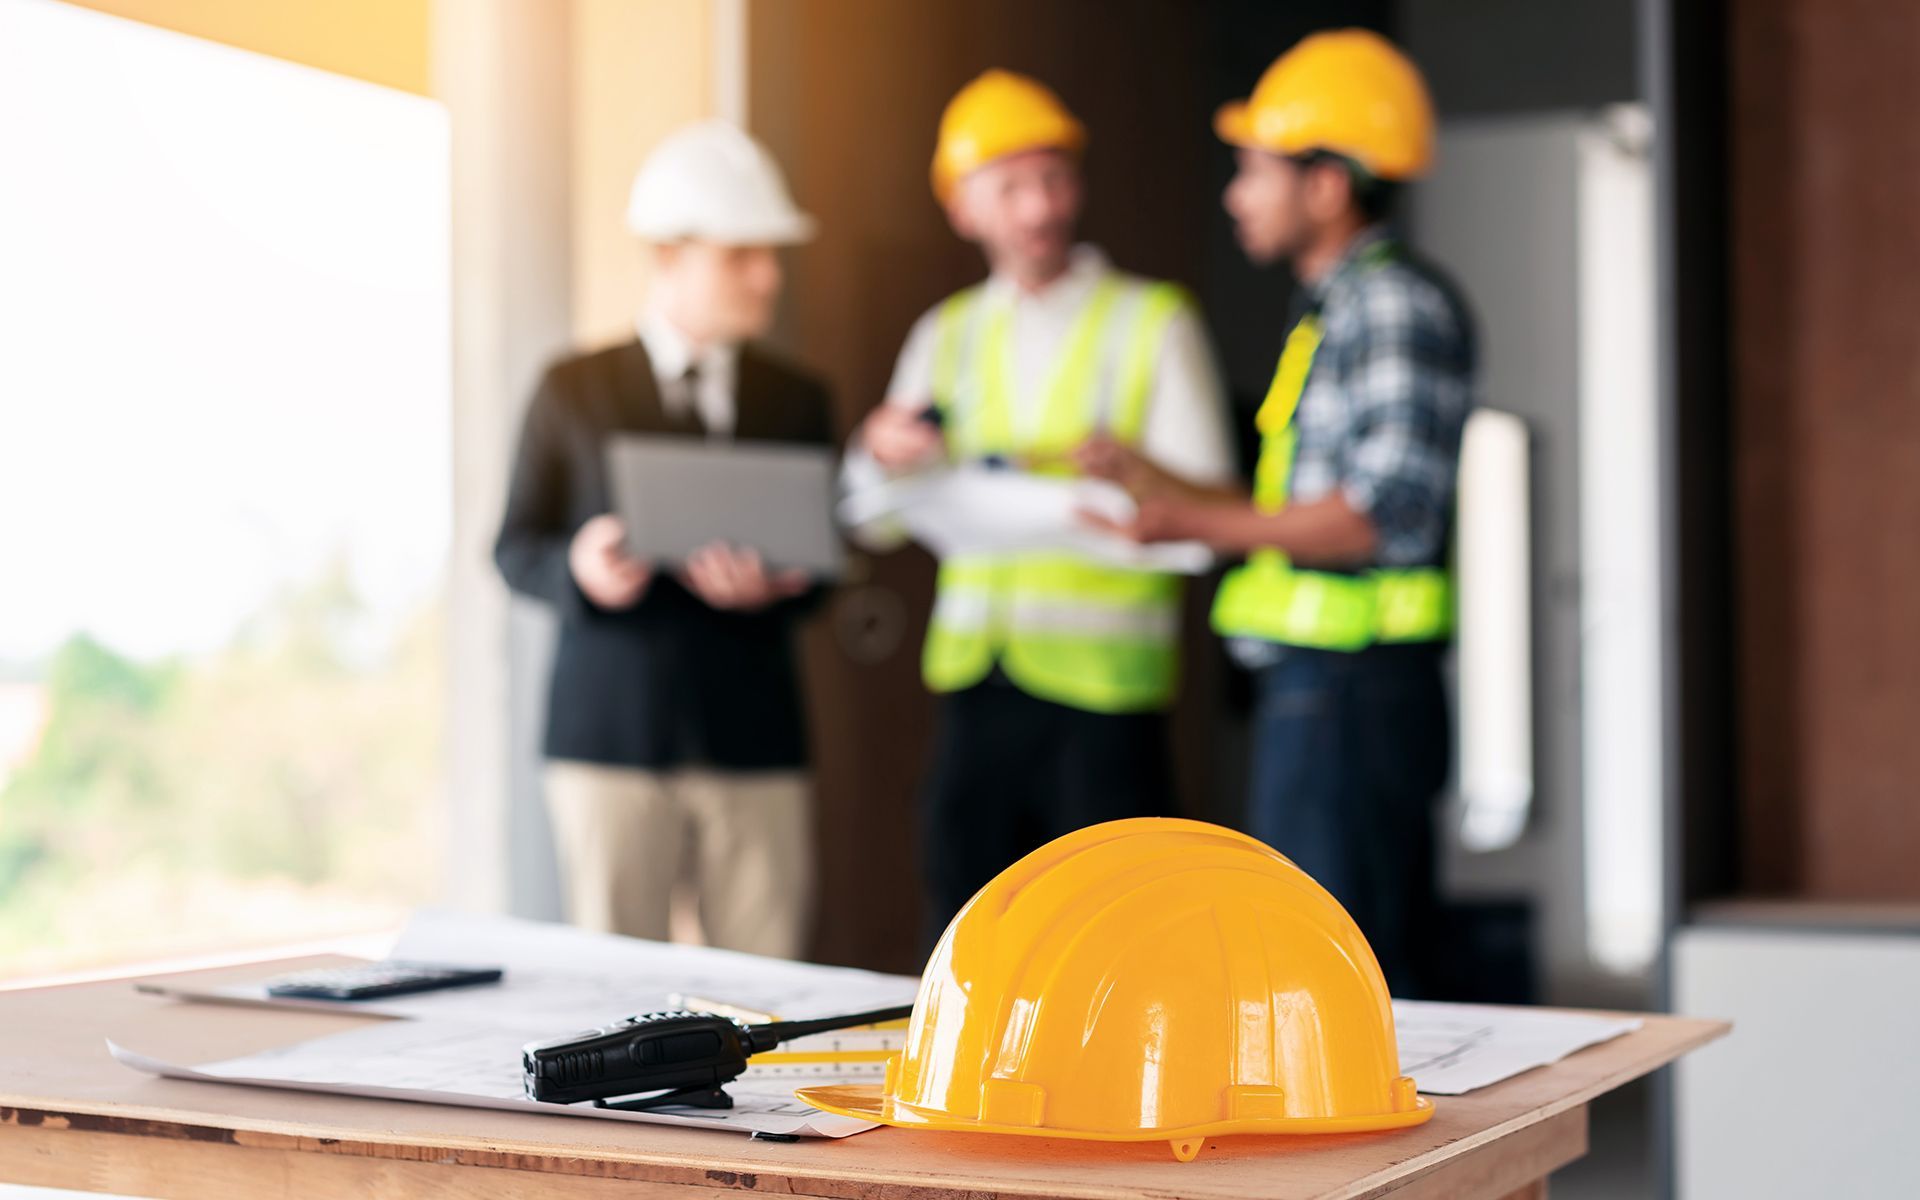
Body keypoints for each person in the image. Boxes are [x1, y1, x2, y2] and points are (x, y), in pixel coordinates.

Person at [1084, 31, 1474, 996]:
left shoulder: (1389, 310)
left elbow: (1379, 517)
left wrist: (1189, 528)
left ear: (1329, 186)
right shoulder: (1335, 313)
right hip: (1323, 695)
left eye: (1254, 170)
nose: (1235, 195)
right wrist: (1162, 485)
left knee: (1347, 979)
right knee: (1313, 969)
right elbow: (1295, 510)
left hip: (1357, 695)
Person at [844, 70, 1233, 937]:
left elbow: (1215, 515)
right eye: (1011, 186)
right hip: (978, 692)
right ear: (963, 207)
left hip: (1108, 705)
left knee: (1118, 941)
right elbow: (869, 514)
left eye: (1054, 178)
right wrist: (877, 448)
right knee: (971, 939)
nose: (1039, 207)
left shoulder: (1153, 321)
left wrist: (1137, 481)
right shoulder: (943, 335)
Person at [494, 120, 832, 957]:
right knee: (612, 1000)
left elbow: (827, 564)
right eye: (741, 255)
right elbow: (514, 546)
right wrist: (579, 570)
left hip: (753, 736)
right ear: (668, 256)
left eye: (772, 253)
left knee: (767, 992)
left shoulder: (799, 400)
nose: (769, 276)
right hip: (610, 736)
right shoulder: (570, 389)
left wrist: (780, 584)